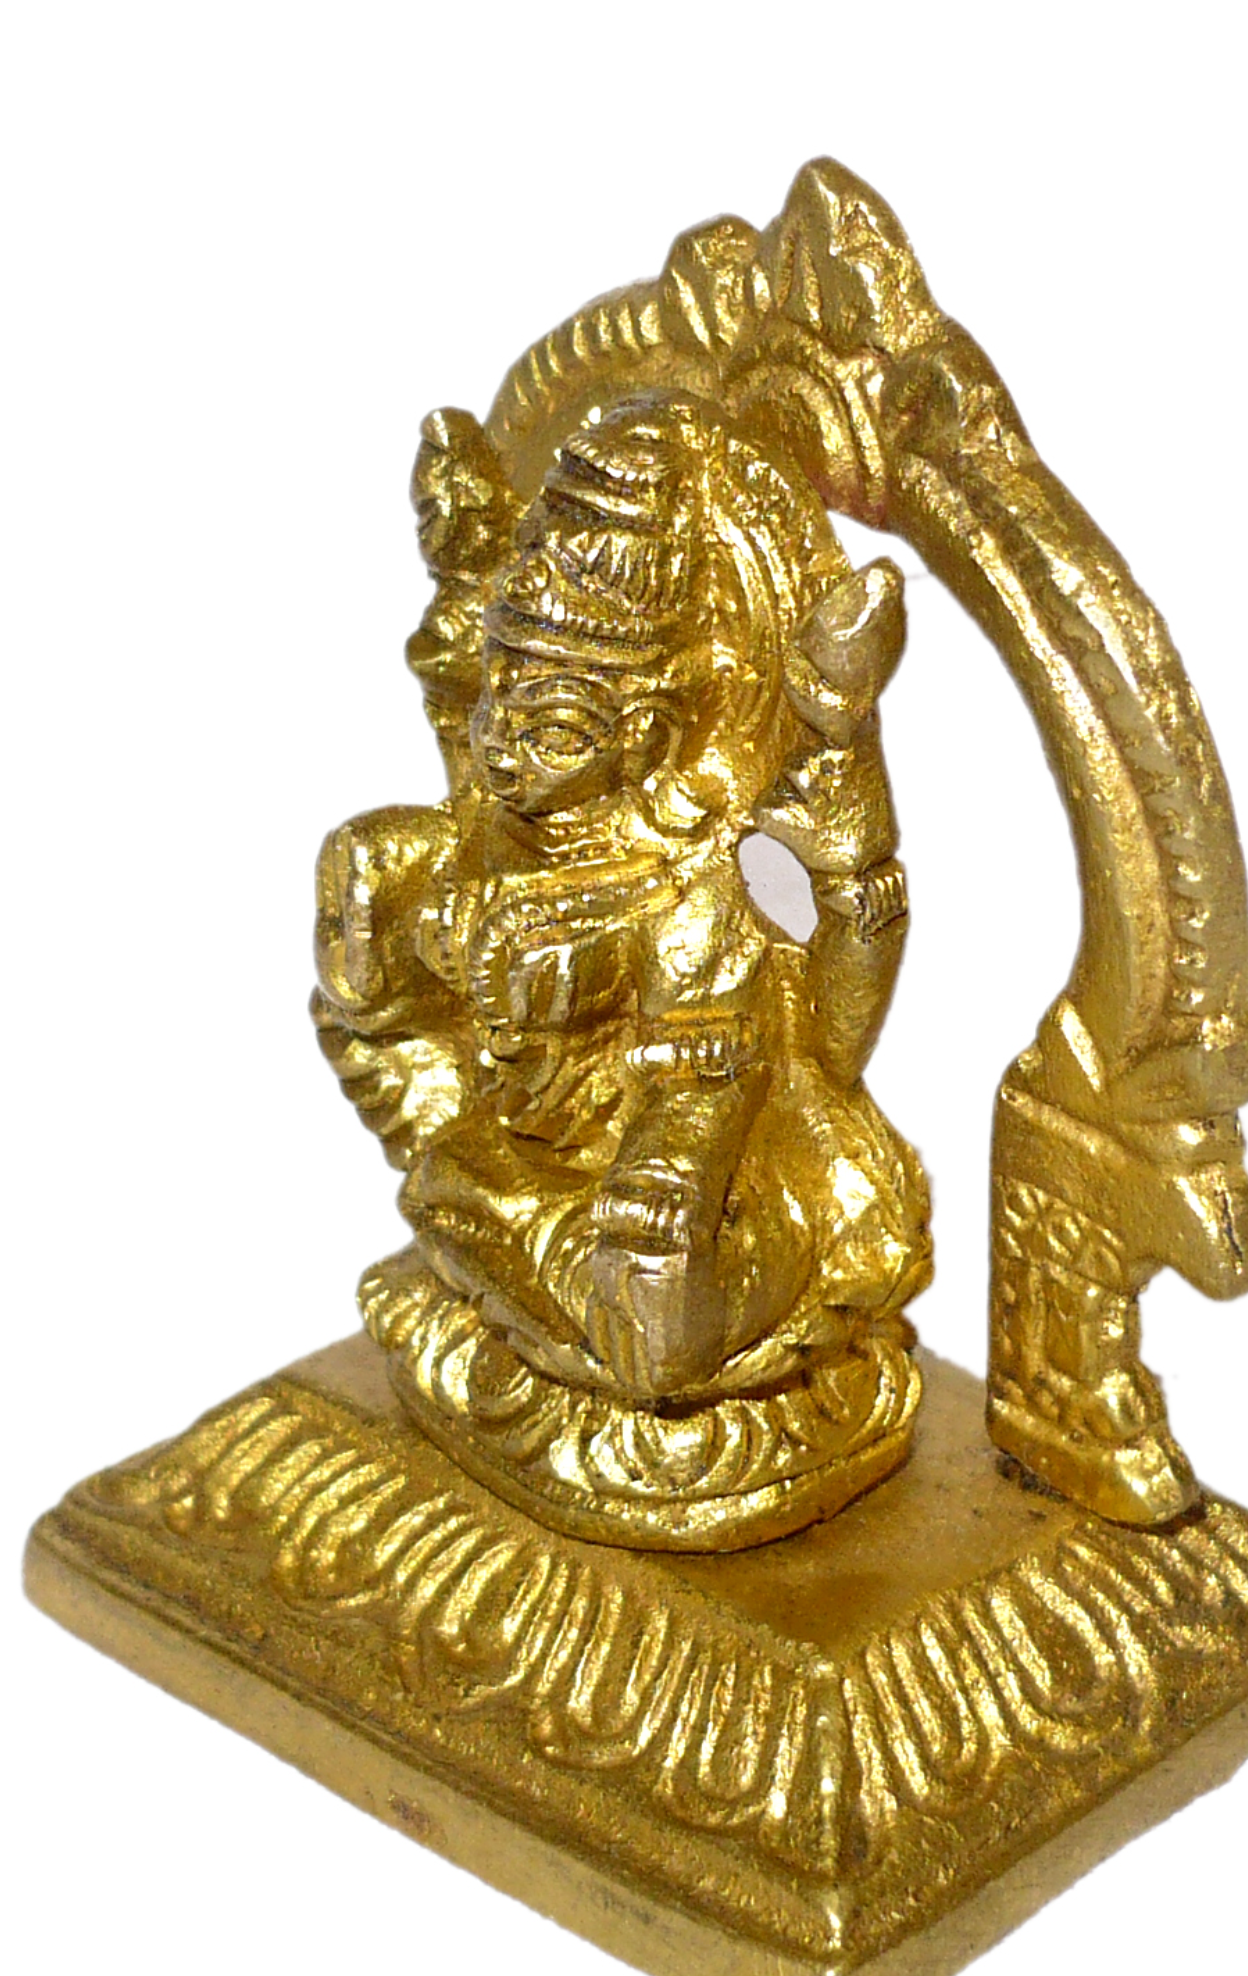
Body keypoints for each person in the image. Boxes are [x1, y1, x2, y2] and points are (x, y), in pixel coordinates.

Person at [312, 391, 930, 1413]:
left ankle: (578, 1309)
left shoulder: (681, 888)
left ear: (646, 733)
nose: (505, 751)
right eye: (501, 708)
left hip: (676, 1187)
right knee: (372, 912)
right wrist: (465, 561)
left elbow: (718, 1085)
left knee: (654, 1319)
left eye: (554, 732)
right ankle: (508, 1270)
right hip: (507, 1161)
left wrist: (664, 1183)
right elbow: (458, 701)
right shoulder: (493, 817)